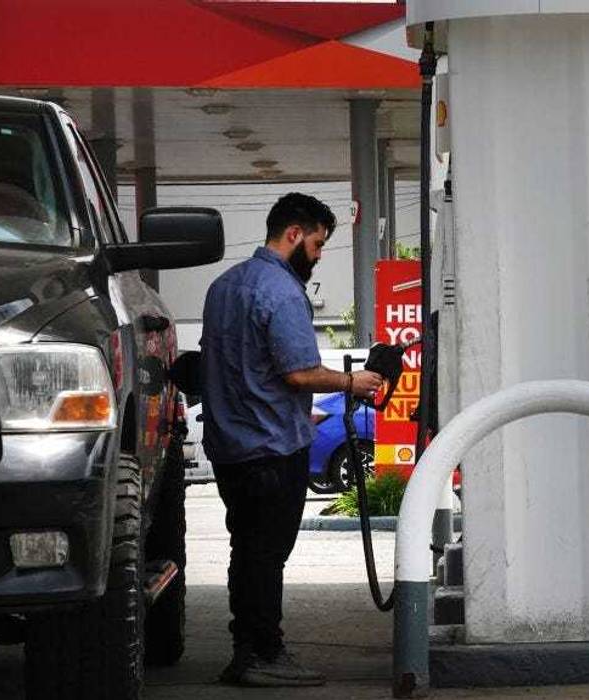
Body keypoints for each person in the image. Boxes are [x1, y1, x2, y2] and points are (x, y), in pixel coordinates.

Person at [200, 192, 385, 687]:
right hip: (273, 447)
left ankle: (248, 648)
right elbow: (299, 374)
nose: (319, 255)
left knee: (248, 550)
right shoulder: (281, 292)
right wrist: (353, 383)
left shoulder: (222, 288)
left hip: (229, 448)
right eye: (319, 244)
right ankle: (263, 653)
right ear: (294, 235)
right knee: (266, 554)